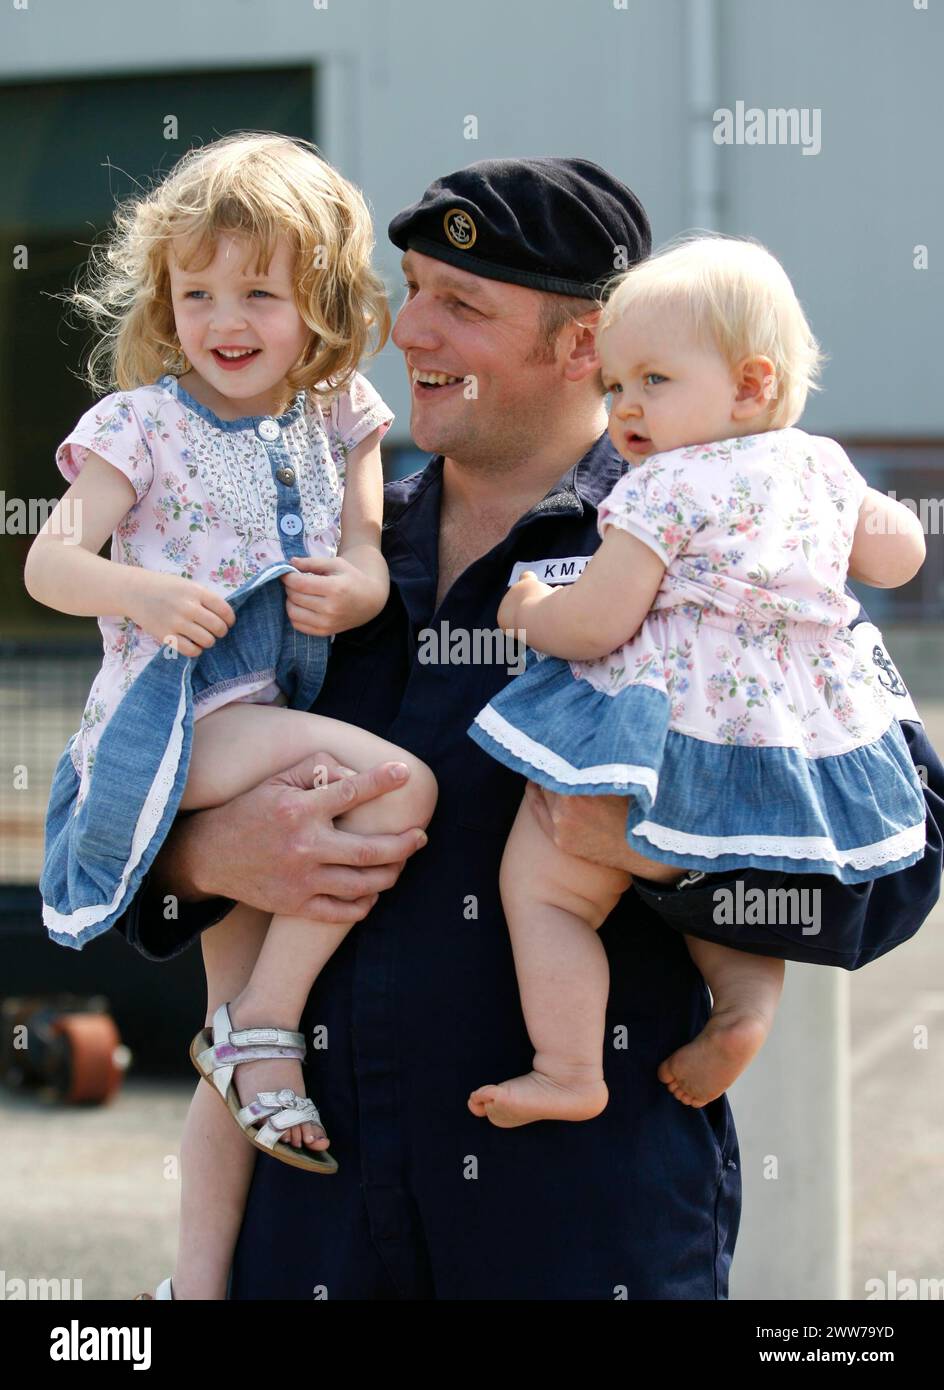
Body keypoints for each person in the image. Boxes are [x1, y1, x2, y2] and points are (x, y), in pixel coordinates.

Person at [109, 158, 943, 1300]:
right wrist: (199, 858)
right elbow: (131, 786)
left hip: (577, 1230)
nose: (408, 331)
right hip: (311, 1222)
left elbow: (896, 871)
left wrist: (656, 855)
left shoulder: (723, 544)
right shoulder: (322, 550)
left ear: (582, 344)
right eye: (409, 288)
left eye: (463, 305)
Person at [26, 132, 438, 1301]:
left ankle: (190, 1291)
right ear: (165, 296)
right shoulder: (140, 424)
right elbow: (52, 564)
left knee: (232, 1060)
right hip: (182, 720)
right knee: (399, 783)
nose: (226, 317)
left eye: (260, 289)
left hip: (271, 720)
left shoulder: (340, 412)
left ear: (320, 298)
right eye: (197, 290)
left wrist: (355, 585)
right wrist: (139, 589)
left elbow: (363, 553)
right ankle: (267, 1014)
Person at [466, 233, 927, 1127]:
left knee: (545, 887)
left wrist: (527, 611)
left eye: (653, 381)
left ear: (752, 384)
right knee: (741, 887)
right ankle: (746, 1009)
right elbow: (899, 557)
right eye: (616, 386)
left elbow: (601, 619)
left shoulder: (661, 488)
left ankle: (568, 1067)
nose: (627, 407)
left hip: (667, 738)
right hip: (790, 749)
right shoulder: (821, 464)